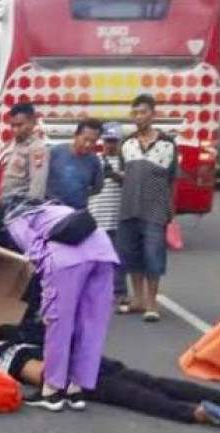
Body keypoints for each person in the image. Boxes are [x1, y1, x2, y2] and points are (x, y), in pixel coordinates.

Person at [0, 327, 220, 429]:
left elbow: (37, 372)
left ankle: (194, 413)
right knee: (150, 381)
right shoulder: (26, 337)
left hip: (64, 371)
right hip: (86, 358)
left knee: (132, 396)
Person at [5, 201, 119, 411]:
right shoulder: (57, 208)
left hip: (67, 261)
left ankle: (51, 390)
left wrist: (46, 270)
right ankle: (76, 389)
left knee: (59, 324)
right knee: (92, 324)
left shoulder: (16, 218)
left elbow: (34, 248)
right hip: (104, 253)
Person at [117, 94, 178, 323]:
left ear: (153, 114)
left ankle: (152, 303)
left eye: (143, 112)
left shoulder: (167, 144)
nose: (138, 117)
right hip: (129, 208)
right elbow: (125, 174)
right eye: (135, 113)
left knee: (154, 256)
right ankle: (137, 300)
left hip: (155, 210)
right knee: (131, 255)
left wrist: (171, 209)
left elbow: (172, 180)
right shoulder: (127, 143)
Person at [0, 103, 48, 247]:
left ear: (32, 123)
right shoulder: (12, 145)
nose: (15, 129)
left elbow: (37, 187)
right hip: (5, 207)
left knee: (14, 253)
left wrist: (28, 217)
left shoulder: (36, 149)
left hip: (19, 210)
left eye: (20, 125)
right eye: (13, 125)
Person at [87, 121, 128, 303]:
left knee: (118, 258)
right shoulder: (94, 160)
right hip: (97, 217)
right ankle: (97, 292)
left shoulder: (125, 161)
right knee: (97, 259)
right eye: (107, 140)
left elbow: (131, 182)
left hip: (118, 218)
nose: (110, 145)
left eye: (114, 141)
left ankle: (119, 291)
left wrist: (114, 175)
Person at [45, 119, 104, 209]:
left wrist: (80, 195)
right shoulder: (55, 153)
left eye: (93, 141)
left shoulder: (94, 161)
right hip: (52, 211)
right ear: (76, 135)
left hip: (77, 213)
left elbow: (97, 188)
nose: (88, 144)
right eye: (85, 139)